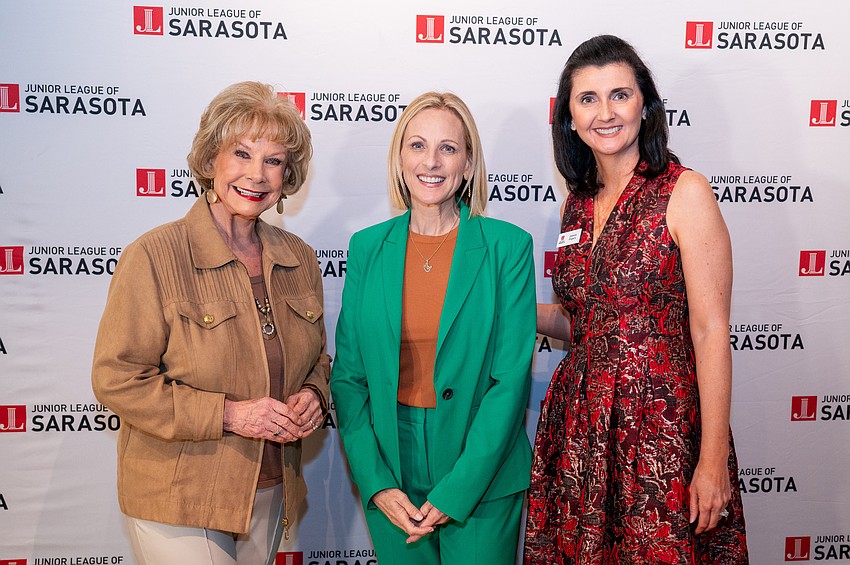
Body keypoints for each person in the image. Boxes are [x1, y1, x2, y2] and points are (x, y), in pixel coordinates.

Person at [524, 35, 748, 564]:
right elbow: (588, 323)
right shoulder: (577, 203)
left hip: (660, 429)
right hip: (581, 426)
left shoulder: (684, 191)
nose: (605, 113)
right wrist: (504, 311)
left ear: (645, 106)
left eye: (619, 95)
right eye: (588, 99)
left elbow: (710, 331)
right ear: (568, 118)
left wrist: (712, 458)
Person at [91, 81, 330, 565]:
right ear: (210, 160)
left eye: (273, 160)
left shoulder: (300, 258)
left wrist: (315, 395)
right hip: (180, 493)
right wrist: (229, 415)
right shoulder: (154, 255)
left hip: (271, 489)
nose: (256, 174)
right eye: (241, 153)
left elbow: (316, 360)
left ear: (287, 176)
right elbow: (117, 379)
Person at [331, 91, 536, 564]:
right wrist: (376, 482)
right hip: (392, 468)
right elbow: (348, 378)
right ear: (400, 159)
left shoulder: (508, 247)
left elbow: (509, 382)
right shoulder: (366, 248)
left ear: (468, 165)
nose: (431, 162)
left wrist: (460, 485)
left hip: (482, 469)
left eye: (448, 148)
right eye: (418, 145)